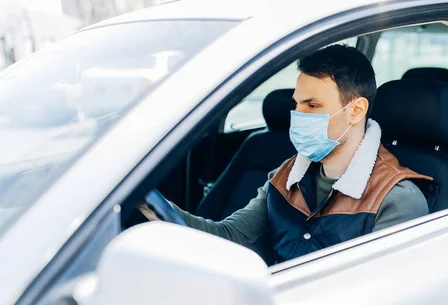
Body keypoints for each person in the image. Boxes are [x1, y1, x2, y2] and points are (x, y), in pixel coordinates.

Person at [142, 44, 432, 264]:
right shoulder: (288, 174)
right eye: (297, 105)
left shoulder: (396, 199)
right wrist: (153, 205)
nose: (297, 115)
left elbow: (384, 301)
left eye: (312, 105)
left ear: (355, 111)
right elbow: (230, 236)